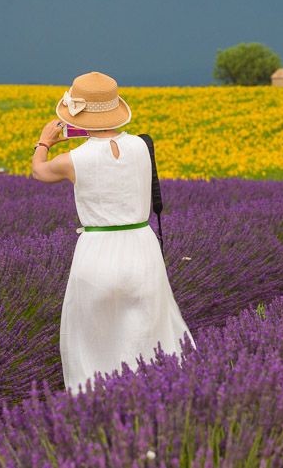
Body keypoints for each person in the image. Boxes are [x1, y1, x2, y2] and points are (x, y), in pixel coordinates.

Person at [31, 70, 195, 394]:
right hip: (141, 248)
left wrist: (44, 142)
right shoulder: (142, 146)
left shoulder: (72, 159)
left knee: (90, 344)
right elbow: (113, 151)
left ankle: (98, 410)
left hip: (97, 253)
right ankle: (152, 401)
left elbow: (39, 171)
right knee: (149, 338)